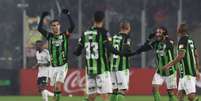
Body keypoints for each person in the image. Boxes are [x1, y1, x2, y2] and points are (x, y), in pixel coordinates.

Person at [38, 9, 75, 101]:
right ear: (51, 27)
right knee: (55, 90)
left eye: (57, 25)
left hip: (63, 66)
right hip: (53, 66)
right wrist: (42, 16)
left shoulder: (64, 35)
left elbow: (73, 26)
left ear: (60, 26)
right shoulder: (49, 36)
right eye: (53, 25)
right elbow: (39, 28)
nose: (56, 27)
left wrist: (68, 14)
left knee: (58, 86)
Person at [134, 27, 178, 101]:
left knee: (170, 92)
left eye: (159, 33)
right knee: (154, 89)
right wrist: (148, 39)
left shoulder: (169, 41)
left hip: (170, 71)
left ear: (164, 34)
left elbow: (169, 45)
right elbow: (144, 48)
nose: (157, 35)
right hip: (159, 71)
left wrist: (165, 37)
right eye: (156, 33)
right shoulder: (155, 43)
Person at [163, 24, 200, 101]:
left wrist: (168, 65)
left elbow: (181, 56)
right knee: (180, 96)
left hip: (187, 72)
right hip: (185, 73)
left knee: (191, 97)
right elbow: (196, 55)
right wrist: (197, 68)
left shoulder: (183, 40)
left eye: (178, 28)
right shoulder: (191, 40)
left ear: (179, 30)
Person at [110, 21, 132, 101]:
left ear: (120, 28)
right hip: (122, 66)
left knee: (114, 90)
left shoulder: (114, 37)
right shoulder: (127, 37)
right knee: (121, 90)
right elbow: (127, 50)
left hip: (112, 66)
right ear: (129, 28)